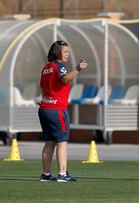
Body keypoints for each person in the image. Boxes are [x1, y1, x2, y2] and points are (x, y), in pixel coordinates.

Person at [38, 40, 88, 182]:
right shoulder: (59, 67)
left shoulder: (46, 68)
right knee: (62, 141)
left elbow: (43, 88)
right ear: (57, 52)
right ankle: (62, 174)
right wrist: (78, 68)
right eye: (65, 51)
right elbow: (65, 79)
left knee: (49, 141)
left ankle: (46, 174)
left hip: (44, 109)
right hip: (57, 110)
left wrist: (46, 100)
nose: (68, 54)